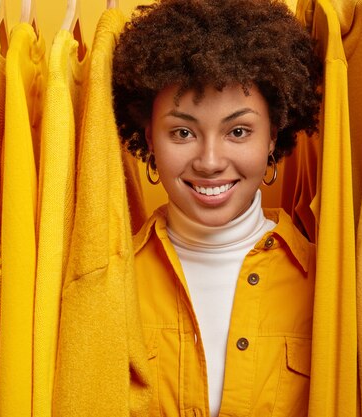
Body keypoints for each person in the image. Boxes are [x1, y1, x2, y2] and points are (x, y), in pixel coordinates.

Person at [112, 0, 322, 415]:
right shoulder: (111, 283)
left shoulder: (323, 284)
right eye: (183, 131)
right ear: (149, 138)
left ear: (272, 137)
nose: (209, 161)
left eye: (238, 131)